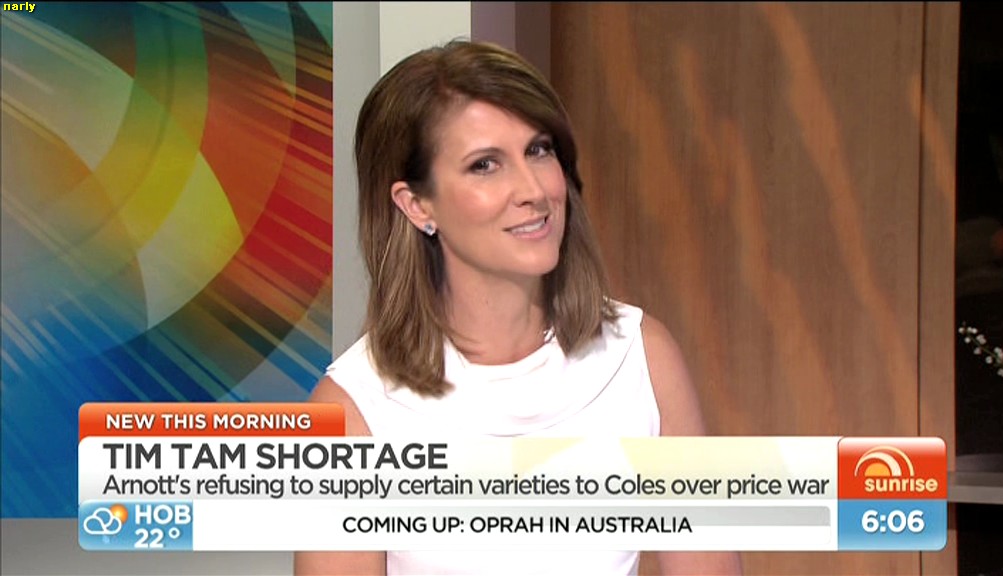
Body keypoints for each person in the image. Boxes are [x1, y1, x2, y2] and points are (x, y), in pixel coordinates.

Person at [294, 39, 742, 576]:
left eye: (539, 150)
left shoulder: (642, 358)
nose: (533, 189)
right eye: (485, 165)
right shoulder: (354, 411)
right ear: (416, 205)